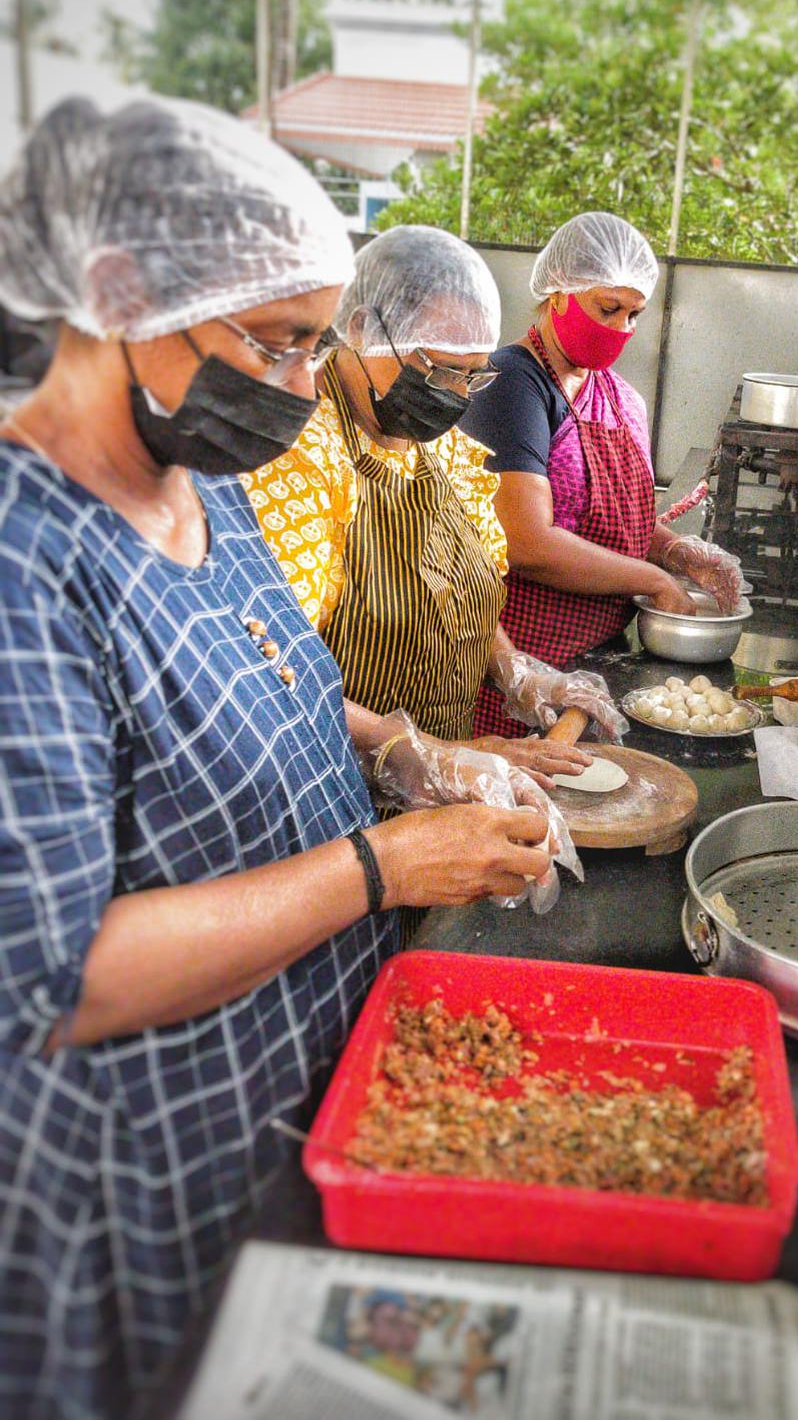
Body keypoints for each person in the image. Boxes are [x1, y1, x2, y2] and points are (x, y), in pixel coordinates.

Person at [0, 96, 559, 1420]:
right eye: (278, 340)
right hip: (143, 1163)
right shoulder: (29, 560)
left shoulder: (212, 483)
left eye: (319, 344)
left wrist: (408, 750)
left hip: (294, 1090)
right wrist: (383, 864)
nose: (306, 386)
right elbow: (59, 980)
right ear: (117, 294)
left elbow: (285, 687)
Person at [245, 225, 624, 784]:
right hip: (330, 789)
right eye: (439, 369)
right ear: (361, 329)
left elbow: (456, 596)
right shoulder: (298, 456)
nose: (453, 394)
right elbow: (273, 668)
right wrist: (426, 757)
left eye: (472, 375)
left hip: (450, 775)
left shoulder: (441, 448)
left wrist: (519, 673)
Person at [461, 212, 742, 738]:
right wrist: (654, 579)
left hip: (602, 658)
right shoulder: (509, 386)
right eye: (607, 308)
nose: (621, 329)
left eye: (634, 314)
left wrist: (675, 550)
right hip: (522, 675)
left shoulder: (619, 398)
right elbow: (524, 540)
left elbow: (610, 517)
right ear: (558, 293)